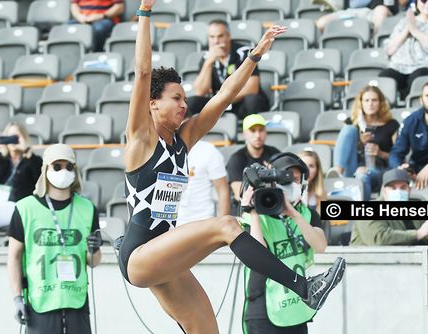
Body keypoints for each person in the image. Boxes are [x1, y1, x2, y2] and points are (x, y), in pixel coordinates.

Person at [117, 1, 345, 333]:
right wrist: (145, 11)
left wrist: (255, 55)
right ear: (153, 103)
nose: (184, 104)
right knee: (226, 224)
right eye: (176, 98)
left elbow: (223, 96)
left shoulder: (184, 140)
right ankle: (304, 288)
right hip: (139, 255)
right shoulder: (139, 139)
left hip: (166, 253)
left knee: (207, 329)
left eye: (185, 99)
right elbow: (143, 71)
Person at [7, 144, 102, 334]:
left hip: (76, 301)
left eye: (69, 167)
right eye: (57, 166)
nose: (63, 171)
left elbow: (94, 262)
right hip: (39, 301)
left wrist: (94, 250)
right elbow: (14, 257)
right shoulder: (25, 209)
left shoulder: (87, 208)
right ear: (46, 169)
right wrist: (17, 298)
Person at [240, 152, 328, 334]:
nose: (291, 185)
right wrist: (254, 213)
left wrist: (293, 214)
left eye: (295, 180)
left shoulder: (307, 214)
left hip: (297, 309)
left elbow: (320, 246)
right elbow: (257, 256)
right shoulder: (257, 216)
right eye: (286, 180)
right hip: (263, 309)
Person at [188, 19, 269, 118]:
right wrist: (209, 62)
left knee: (252, 100)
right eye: (212, 37)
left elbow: (252, 88)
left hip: (239, 102)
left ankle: (250, 132)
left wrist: (224, 98)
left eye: (220, 36)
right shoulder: (206, 58)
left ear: (228, 36)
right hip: (218, 105)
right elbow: (200, 91)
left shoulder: (244, 53)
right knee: (192, 102)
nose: (216, 41)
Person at [330, 85, 399, 200]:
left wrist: (380, 153)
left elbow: (398, 156)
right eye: (366, 100)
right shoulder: (352, 122)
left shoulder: (391, 124)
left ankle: (363, 216)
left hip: (378, 169)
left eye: (374, 100)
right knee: (349, 129)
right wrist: (359, 143)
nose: (370, 104)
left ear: (381, 103)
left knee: (362, 176)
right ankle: (337, 172)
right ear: (360, 103)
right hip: (352, 166)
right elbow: (344, 148)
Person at [350, 168, 428, 245]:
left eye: (403, 188)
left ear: (409, 190)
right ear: (383, 191)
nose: (398, 192)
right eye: (392, 188)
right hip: (368, 264)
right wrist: (418, 234)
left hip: (409, 263)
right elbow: (379, 239)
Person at [379, 1, 428, 99]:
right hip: (398, 66)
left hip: (423, 65)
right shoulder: (405, 21)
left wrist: (415, 31)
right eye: (424, 0)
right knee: (385, 77)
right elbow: (389, 49)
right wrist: (407, 29)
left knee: (417, 78)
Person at [227, 114, 280, 202]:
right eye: (253, 131)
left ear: (266, 132)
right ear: (245, 134)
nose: (258, 135)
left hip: (272, 203)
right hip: (247, 209)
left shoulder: (275, 153)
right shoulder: (237, 158)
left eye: (261, 130)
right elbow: (239, 193)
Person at [177, 138, 230, 225]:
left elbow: (222, 190)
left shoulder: (209, 151)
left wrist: (222, 226)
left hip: (202, 222)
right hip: (170, 225)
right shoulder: (163, 148)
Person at [315, 0, 398, 34]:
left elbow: (392, 6)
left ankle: (375, 44)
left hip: (372, 12)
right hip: (349, 12)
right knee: (321, 23)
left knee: (381, 10)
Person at [298, 150, 327, 214]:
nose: (307, 169)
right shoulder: (289, 191)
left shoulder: (321, 194)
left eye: (311, 166)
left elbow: (319, 222)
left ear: (317, 170)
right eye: (303, 165)